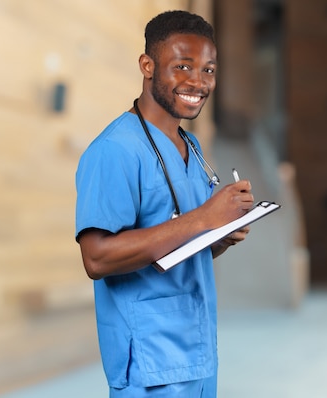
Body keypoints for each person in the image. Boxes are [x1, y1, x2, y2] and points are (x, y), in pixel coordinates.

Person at [75, 10, 254, 397]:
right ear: (147, 65)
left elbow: (178, 245)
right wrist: (205, 217)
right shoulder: (114, 151)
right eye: (183, 66)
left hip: (198, 349)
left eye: (208, 70)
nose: (198, 81)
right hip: (150, 365)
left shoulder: (192, 146)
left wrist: (219, 234)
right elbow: (97, 259)